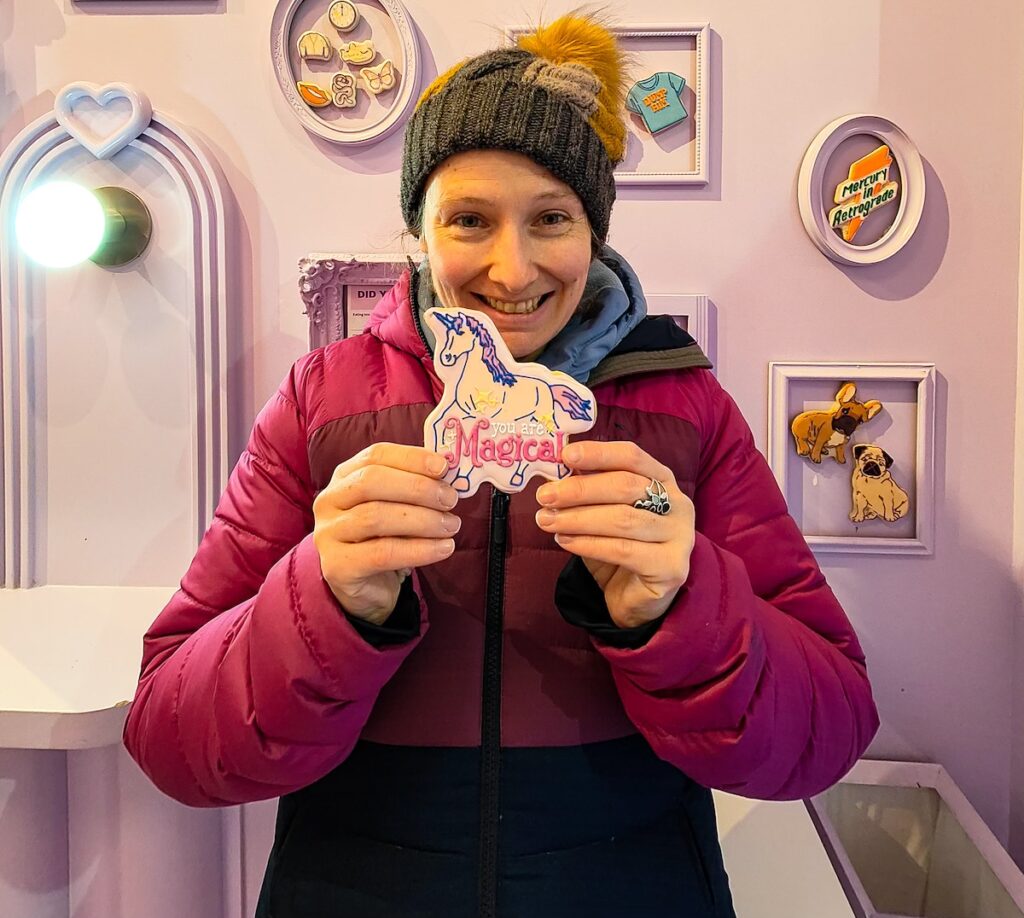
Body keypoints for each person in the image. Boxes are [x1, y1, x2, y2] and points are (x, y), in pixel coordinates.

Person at [124, 13, 879, 918]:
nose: (511, 270)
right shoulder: (322, 407)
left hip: (634, 887)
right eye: (470, 220)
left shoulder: (687, 416)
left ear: (593, 231)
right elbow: (173, 739)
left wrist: (680, 608)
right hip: (352, 886)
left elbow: (828, 733)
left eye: (551, 218)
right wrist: (326, 601)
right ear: (420, 231)